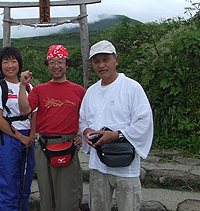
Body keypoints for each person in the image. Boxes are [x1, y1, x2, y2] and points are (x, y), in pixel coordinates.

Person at [79, 40, 153, 211]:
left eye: (106, 59)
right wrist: (87, 131)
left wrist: (117, 135)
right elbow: (83, 118)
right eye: (96, 61)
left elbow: (144, 122)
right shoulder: (91, 91)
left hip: (125, 166)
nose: (101, 65)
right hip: (99, 163)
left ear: (116, 60)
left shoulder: (132, 87)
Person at [18, 45, 85, 211]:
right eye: (52, 62)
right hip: (44, 147)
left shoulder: (79, 91)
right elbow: (25, 110)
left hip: (68, 146)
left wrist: (82, 135)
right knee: (46, 195)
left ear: (67, 64)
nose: (56, 65)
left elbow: (88, 116)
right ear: (47, 65)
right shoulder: (39, 90)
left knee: (68, 195)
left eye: (60, 61)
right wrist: (22, 85)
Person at [0, 46, 36, 211]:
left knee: (25, 185)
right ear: (0, 65)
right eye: (5, 61)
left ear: (19, 63)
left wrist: (31, 136)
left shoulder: (29, 87)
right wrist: (21, 138)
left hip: (28, 139)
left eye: (13, 61)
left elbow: (35, 114)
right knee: (9, 186)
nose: (10, 65)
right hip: (9, 139)